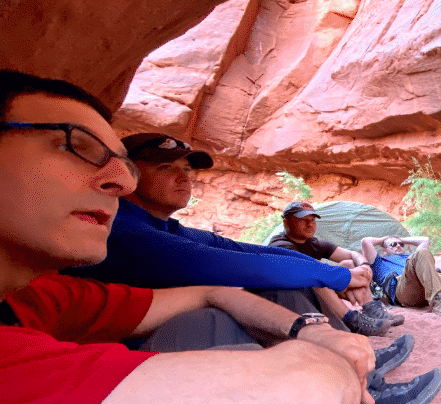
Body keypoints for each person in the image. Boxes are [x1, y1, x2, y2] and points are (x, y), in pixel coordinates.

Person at [1, 70, 441, 404]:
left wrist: (308, 325)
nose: (118, 178)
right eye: (77, 145)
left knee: (210, 327)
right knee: (260, 394)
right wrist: (324, 342)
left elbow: (217, 275)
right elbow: (280, 363)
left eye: (123, 162)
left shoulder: (44, 295)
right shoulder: (128, 238)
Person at [64, 132, 391, 337]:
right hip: (119, 352)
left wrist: (335, 273)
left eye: (187, 169)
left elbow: (249, 252)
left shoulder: (161, 226)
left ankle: (355, 368)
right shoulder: (123, 231)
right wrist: (335, 276)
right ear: (126, 175)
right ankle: (347, 377)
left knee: (286, 281)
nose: (184, 178)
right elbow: (241, 266)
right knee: (244, 303)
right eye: (165, 168)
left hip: (157, 337)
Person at [269, 201, 403, 327]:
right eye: (302, 220)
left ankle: (372, 310)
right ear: (286, 223)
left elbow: (351, 254)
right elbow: (313, 271)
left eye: (312, 220)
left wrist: (364, 265)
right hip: (291, 298)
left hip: (314, 291)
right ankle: (352, 320)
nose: (309, 224)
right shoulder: (281, 245)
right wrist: (351, 278)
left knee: (350, 263)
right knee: (319, 277)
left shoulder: (314, 244)